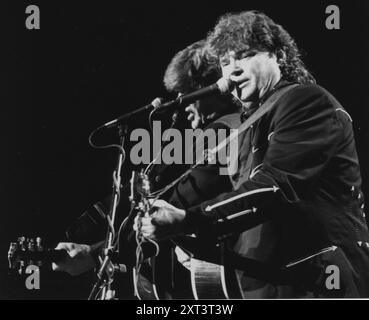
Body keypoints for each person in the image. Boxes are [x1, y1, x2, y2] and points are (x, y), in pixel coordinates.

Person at [138, 10, 369, 298]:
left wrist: (190, 220)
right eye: (225, 62)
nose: (232, 69)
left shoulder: (306, 101)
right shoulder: (247, 127)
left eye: (245, 55)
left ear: (279, 56)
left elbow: (275, 186)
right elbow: (247, 210)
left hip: (319, 280)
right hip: (265, 285)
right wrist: (193, 240)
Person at [52, 40, 244, 298]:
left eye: (185, 94)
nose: (181, 104)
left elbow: (180, 203)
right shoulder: (216, 133)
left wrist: (95, 253)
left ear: (208, 89)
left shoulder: (223, 132)